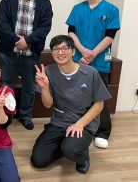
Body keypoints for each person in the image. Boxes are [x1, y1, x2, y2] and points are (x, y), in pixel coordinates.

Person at [30, 35, 112, 174]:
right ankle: (66, 146)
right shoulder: (49, 72)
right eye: (56, 49)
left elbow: (99, 105)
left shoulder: (90, 72)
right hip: (59, 122)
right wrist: (44, 87)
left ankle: (82, 156)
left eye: (64, 48)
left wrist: (79, 124)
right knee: (38, 160)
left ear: (73, 51)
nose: (60, 52)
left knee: (71, 150)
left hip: (83, 123)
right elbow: (48, 104)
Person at [66, 0, 120, 149]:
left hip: (99, 61)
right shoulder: (77, 9)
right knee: (78, 96)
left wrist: (92, 54)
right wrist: (82, 50)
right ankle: (80, 126)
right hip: (78, 59)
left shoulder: (111, 9)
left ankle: (103, 132)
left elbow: (110, 36)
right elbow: (71, 32)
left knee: (100, 97)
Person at [0, 0, 53, 130]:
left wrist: (27, 41)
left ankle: (25, 116)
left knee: (29, 86)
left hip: (31, 52)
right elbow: (2, 24)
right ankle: (7, 114)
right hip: (9, 51)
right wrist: (16, 40)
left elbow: (45, 26)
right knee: (7, 85)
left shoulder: (43, 1)